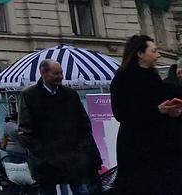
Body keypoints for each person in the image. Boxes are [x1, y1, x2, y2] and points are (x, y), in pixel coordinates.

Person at [110, 35, 182, 195]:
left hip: (162, 146)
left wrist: (173, 111)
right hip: (136, 148)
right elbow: (121, 114)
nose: (159, 55)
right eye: (154, 51)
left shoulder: (153, 76)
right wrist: (158, 111)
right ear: (140, 54)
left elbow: (163, 100)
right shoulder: (123, 79)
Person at [17, 59, 101, 195]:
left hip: (72, 158)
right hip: (46, 161)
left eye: (61, 73)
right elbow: (25, 130)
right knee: (48, 190)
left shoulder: (70, 95)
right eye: (56, 74)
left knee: (80, 189)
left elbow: (84, 124)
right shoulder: (29, 95)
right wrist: (41, 153)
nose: (60, 77)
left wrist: (80, 149)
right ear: (43, 73)